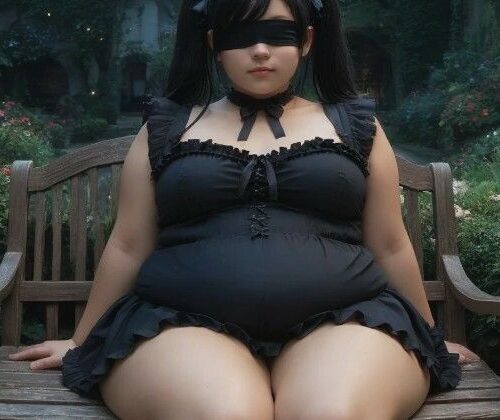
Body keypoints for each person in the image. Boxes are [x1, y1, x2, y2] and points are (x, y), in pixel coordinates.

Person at [9, 0, 480, 418]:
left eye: (278, 34)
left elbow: (391, 244)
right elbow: (129, 245)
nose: (260, 50)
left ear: (307, 40)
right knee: (227, 413)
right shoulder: (168, 127)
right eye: (242, 34)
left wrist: (431, 337)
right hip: (178, 322)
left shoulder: (354, 124)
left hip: (348, 318)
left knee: (331, 413)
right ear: (214, 43)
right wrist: (80, 340)